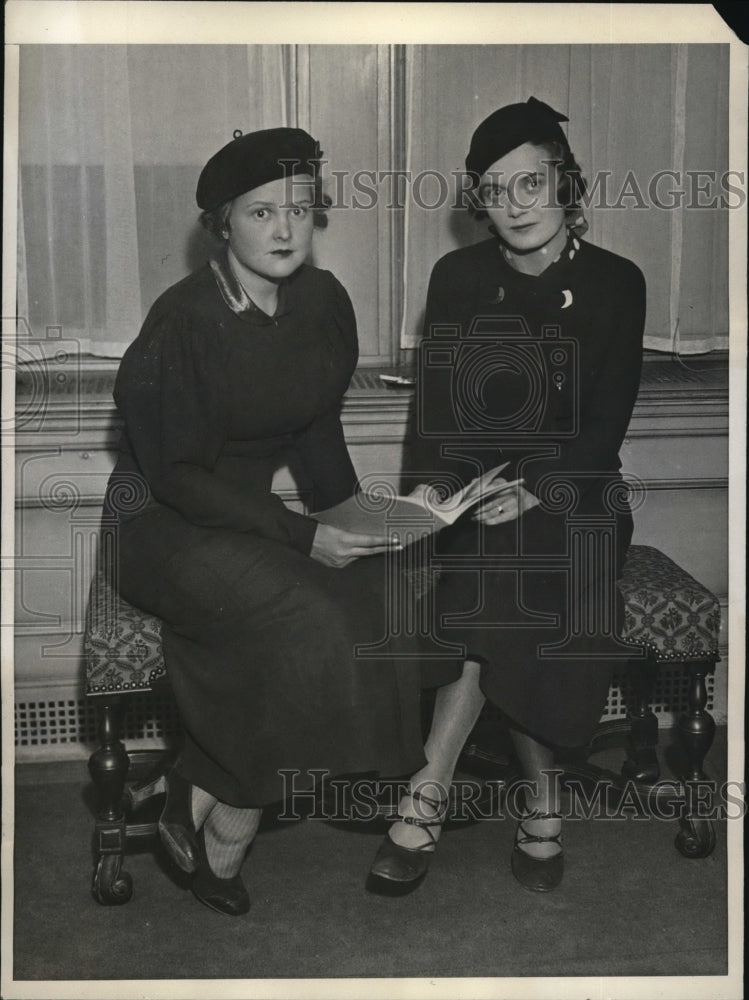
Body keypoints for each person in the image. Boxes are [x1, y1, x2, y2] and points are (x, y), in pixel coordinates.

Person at [103, 127, 427, 915]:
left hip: (244, 521)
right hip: (162, 527)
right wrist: (306, 536)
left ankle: (197, 790)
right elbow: (177, 477)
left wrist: (363, 520)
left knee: (391, 587)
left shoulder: (323, 303)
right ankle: (219, 811)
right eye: (260, 213)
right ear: (222, 224)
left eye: (299, 210)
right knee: (307, 610)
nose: (284, 230)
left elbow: (316, 433)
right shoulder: (183, 320)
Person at [367, 97, 646, 894]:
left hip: (578, 494)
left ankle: (426, 790)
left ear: (565, 183)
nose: (514, 205)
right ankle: (538, 802)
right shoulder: (457, 278)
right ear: (478, 203)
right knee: (492, 555)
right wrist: (432, 489)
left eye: (530, 183)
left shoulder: (616, 282)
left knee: (513, 555)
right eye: (494, 191)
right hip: (479, 493)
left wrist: (536, 490)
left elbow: (603, 430)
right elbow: (437, 420)